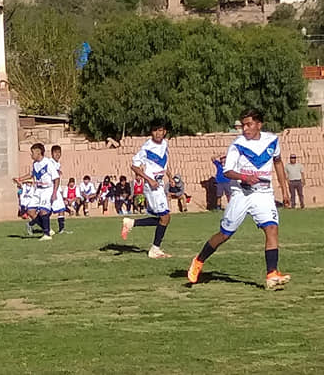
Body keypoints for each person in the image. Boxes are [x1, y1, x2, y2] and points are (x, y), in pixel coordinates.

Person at [187, 109, 292, 290]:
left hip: (263, 194)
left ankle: (272, 274)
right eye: (243, 125)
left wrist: (285, 190)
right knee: (225, 234)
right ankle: (199, 260)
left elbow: (278, 162)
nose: (245, 129)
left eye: (249, 124)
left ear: (259, 124)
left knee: (272, 229)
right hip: (241, 194)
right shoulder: (237, 144)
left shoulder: (272, 140)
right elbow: (227, 171)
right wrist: (244, 177)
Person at [122, 120, 175, 259]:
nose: (158, 133)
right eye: (155, 130)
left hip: (160, 184)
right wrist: (148, 179)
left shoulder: (164, 144)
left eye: (161, 130)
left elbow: (164, 164)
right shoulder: (146, 147)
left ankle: (132, 223)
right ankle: (154, 250)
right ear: (151, 132)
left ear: (165, 131)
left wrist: (170, 177)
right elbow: (134, 166)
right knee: (165, 217)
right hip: (152, 186)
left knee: (164, 218)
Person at [14, 143, 58, 240]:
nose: (31, 155)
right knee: (30, 211)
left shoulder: (48, 163)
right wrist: (20, 179)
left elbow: (56, 178)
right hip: (38, 190)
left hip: (47, 189)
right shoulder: (35, 164)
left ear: (38, 153)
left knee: (43, 211)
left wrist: (54, 193)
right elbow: (32, 174)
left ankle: (47, 235)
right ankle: (47, 228)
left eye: (32, 153)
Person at [49, 145, 69, 234]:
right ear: (52, 153)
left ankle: (61, 229)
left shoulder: (57, 163)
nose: (57, 154)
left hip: (56, 188)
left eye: (59, 152)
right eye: (55, 152)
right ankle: (31, 224)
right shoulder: (50, 162)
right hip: (51, 189)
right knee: (46, 211)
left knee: (61, 209)